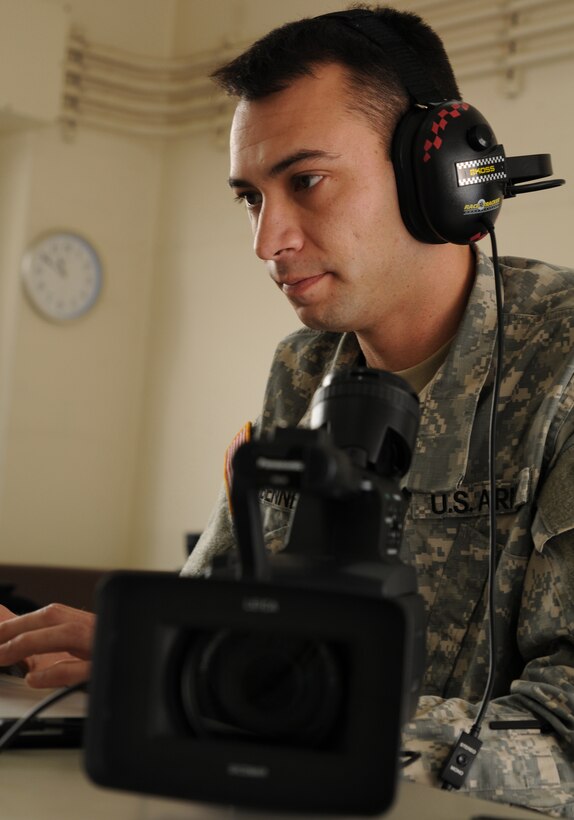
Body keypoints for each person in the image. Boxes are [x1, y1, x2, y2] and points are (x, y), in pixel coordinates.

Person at [0, 3, 573, 815]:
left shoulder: (564, 366)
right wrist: (132, 649)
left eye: (305, 182)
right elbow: (212, 612)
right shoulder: (303, 372)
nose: (267, 242)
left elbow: (566, 734)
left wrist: (281, 711)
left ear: (437, 172)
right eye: (249, 197)